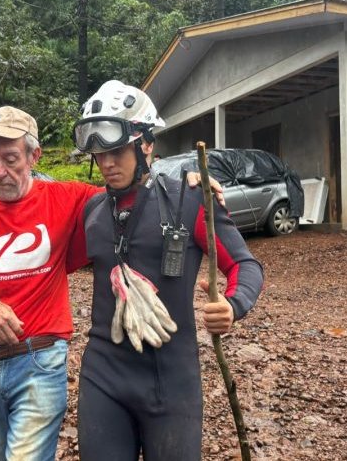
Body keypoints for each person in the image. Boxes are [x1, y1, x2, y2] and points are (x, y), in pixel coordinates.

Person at [0, 105, 221, 461]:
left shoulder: (72, 199)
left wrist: (189, 185)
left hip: (40, 359)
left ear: (35, 155)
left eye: (10, 159)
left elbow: (133, 187)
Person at [72, 80, 265, 461]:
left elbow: (244, 264)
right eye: (99, 154)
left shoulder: (189, 199)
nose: (107, 163)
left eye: (117, 151)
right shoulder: (93, 212)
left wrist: (233, 304)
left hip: (171, 381)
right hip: (103, 377)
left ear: (146, 144)